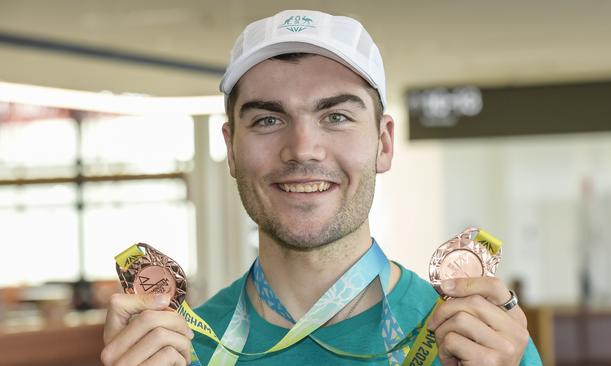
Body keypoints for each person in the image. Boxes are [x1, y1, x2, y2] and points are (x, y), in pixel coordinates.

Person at [101, 9, 542, 366]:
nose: (302, 149)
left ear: (384, 144)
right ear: (232, 150)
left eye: (336, 116)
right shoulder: (174, 350)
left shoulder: (483, 343)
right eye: (268, 120)